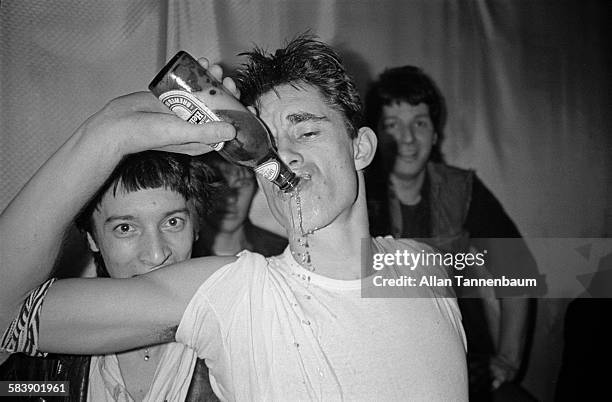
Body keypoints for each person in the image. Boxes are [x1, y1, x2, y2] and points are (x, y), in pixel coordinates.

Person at [0, 35, 468, 401]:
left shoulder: (422, 266)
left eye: (305, 131)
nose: (286, 157)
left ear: (361, 148)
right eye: (269, 144)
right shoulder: (233, 295)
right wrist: (110, 132)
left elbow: (523, 272)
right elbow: (6, 316)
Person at [365, 65, 542, 400]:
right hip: (384, 368)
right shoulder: (356, 196)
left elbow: (518, 270)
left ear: (435, 134)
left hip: (465, 364)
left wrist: (508, 359)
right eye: (392, 125)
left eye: (419, 123)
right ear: (371, 136)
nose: (407, 138)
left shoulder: (461, 189)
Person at [0, 151, 221, 401]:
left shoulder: (239, 333)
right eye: (125, 228)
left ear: (196, 228)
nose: (157, 254)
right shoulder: (46, 351)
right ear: (92, 239)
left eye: (172, 222)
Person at [192, 153, 287, 258]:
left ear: (256, 189)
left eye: (242, 184)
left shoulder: (283, 254)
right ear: (200, 189)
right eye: (220, 185)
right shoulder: (181, 256)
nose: (231, 198)